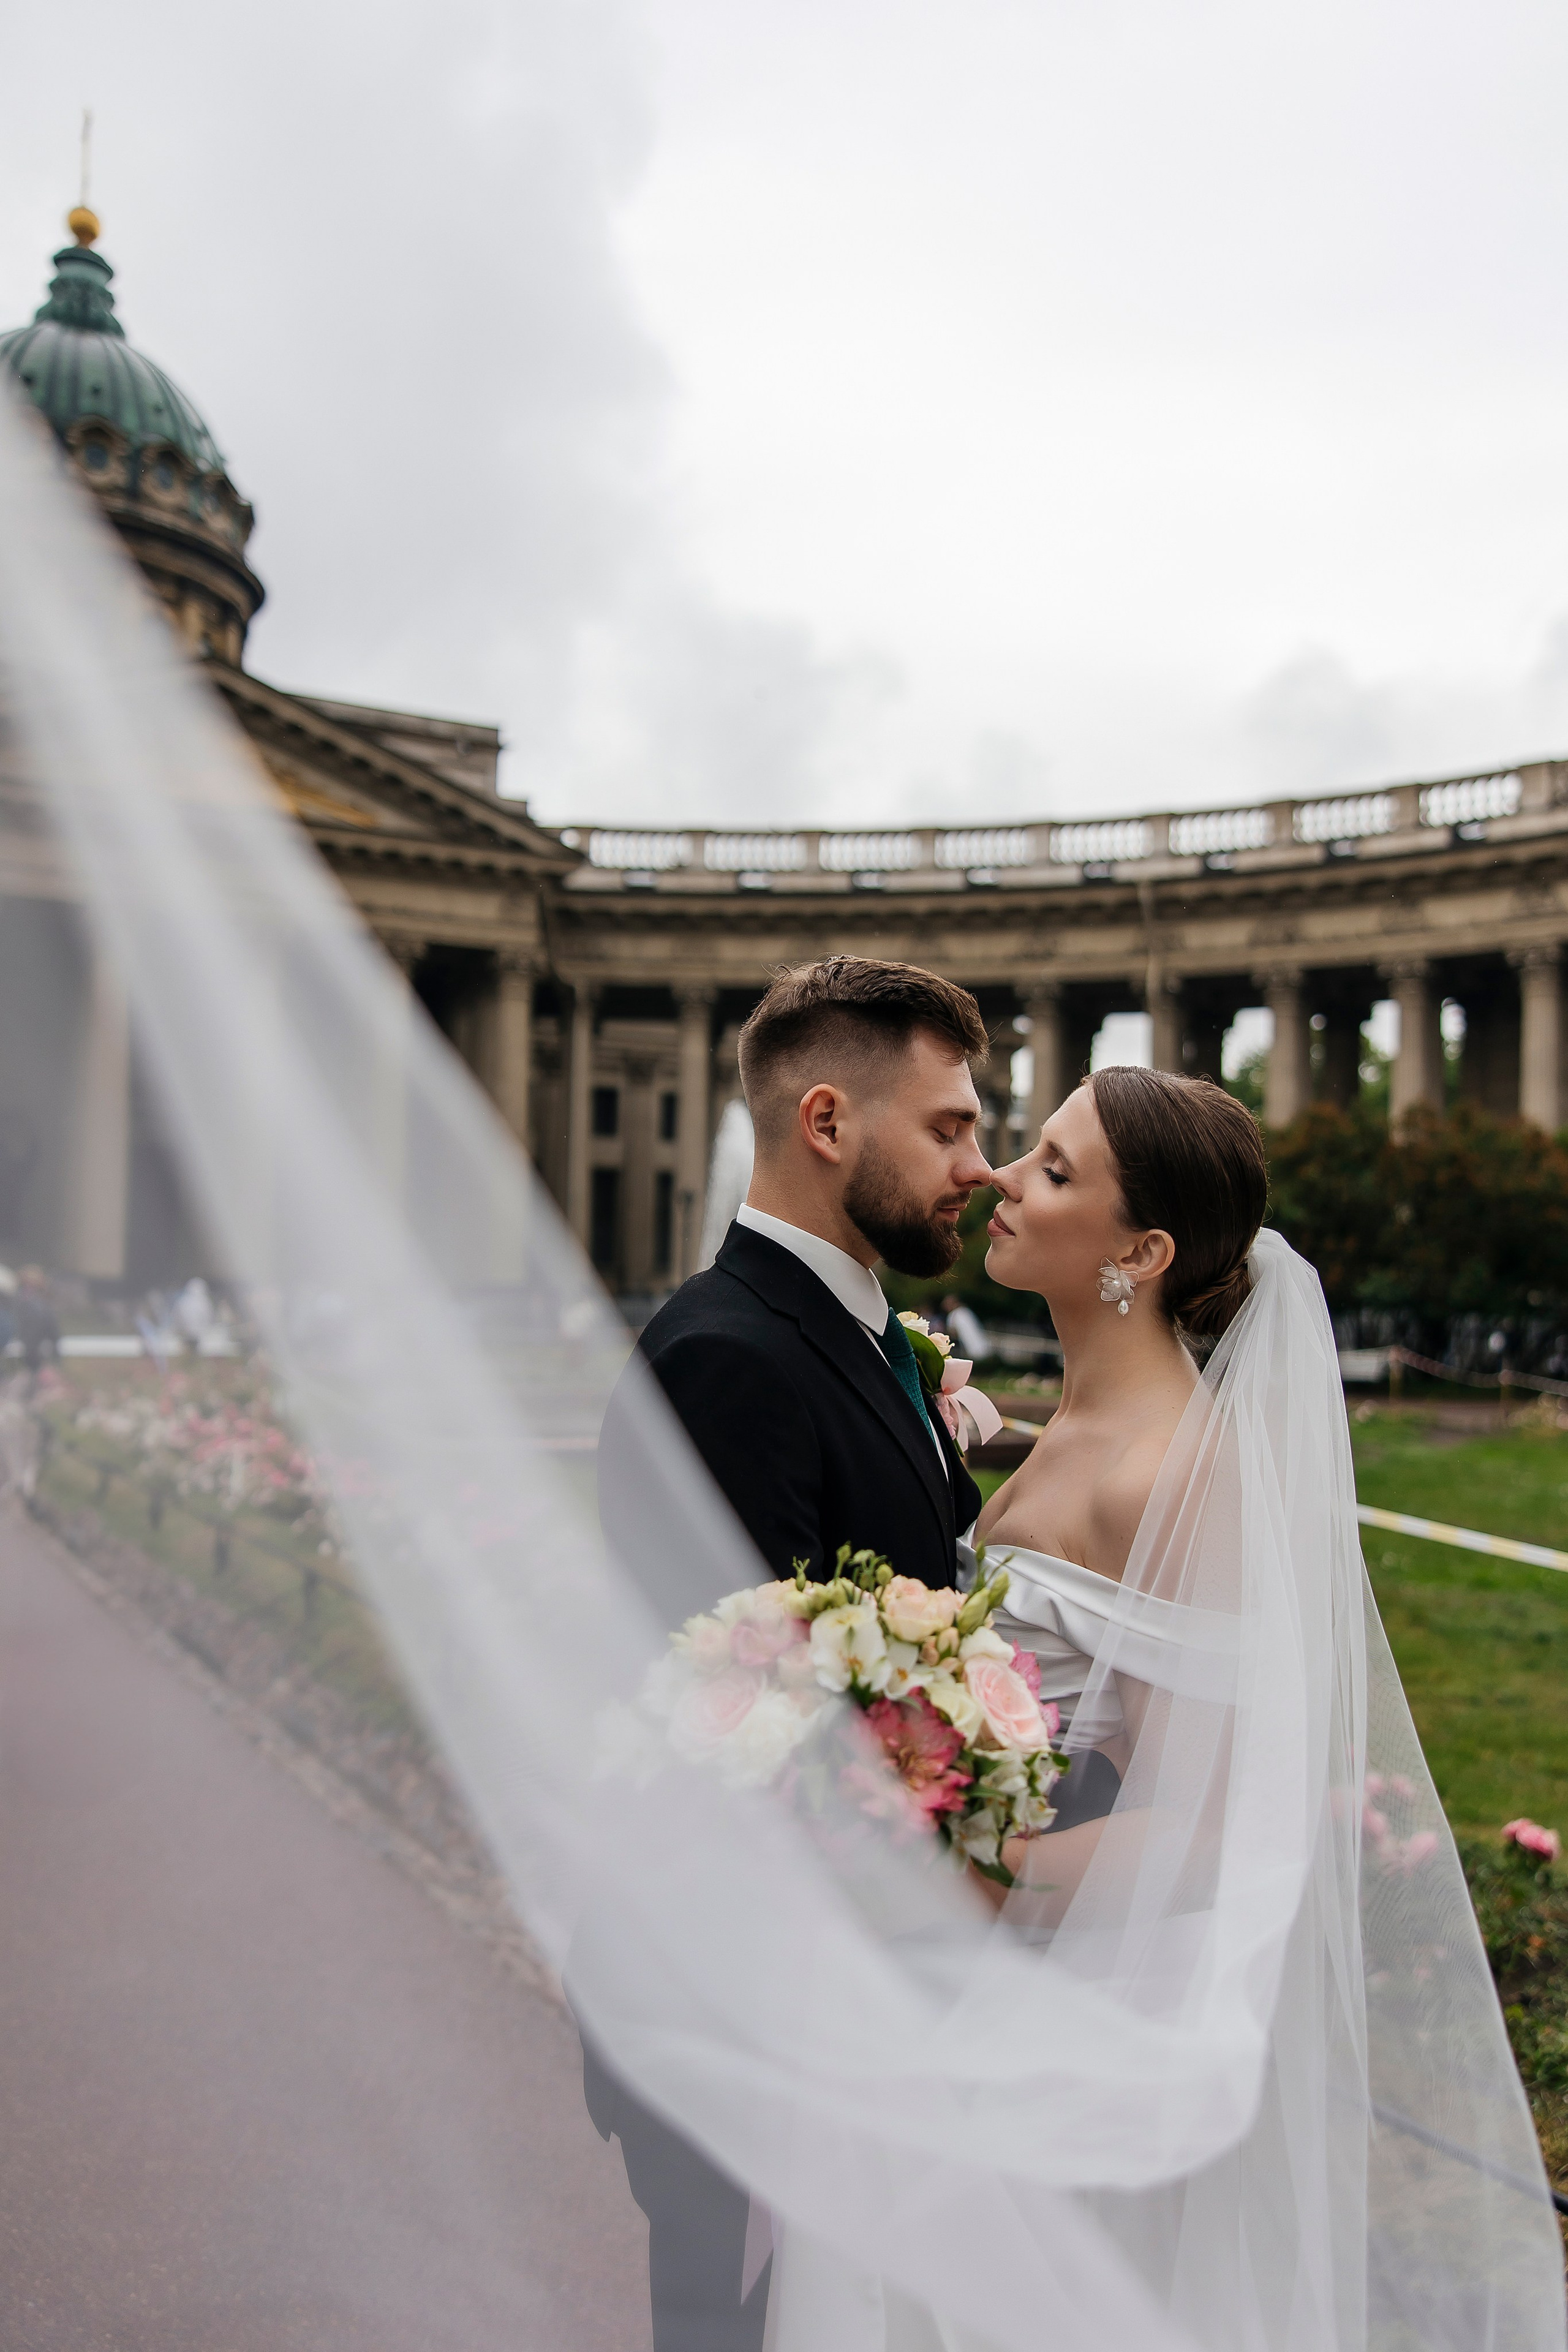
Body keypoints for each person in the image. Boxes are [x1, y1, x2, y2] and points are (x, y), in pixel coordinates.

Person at [589, 954, 994, 2352]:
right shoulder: (729, 1358)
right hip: (751, 2025)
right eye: (949, 1128)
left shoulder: (859, 1338)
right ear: (827, 1122)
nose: (980, 1167)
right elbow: (722, 1737)